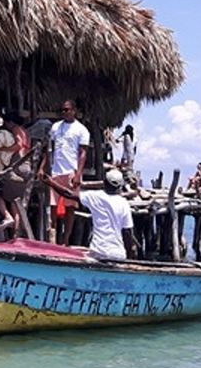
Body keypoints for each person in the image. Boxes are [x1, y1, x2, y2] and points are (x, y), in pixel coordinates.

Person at [44, 99, 90, 244]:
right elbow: (49, 149)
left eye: (67, 110)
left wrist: (78, 174)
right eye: (62, 110)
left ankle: (65, 240)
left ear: (74, 111)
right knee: (52, 206)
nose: (64, 112)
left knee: (70, 206)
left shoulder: (81, 130)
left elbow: (83, 153)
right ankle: (53, 238)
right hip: (56, 171)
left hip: (71, 171)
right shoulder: (55, 127)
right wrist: (42, 167)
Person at [67, 168, 137, 261]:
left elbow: (68, 194)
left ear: (105, 182)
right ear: (120, 185)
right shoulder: (124, 203)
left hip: (99, 253)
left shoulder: (95, 197)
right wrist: (129, 257)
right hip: (118, 255)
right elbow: (127, 232)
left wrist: (51, 183)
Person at [0, 112, 31, 235]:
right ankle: (16, 234)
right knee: (15, 200)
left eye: (5, 123)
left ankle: (9, 219)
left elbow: (18, 145)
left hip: (19, 165)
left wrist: (0, 149)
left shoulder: (16, 129)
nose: (5, 125)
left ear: (11, 122)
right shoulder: (25, 131)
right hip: (26, 166)